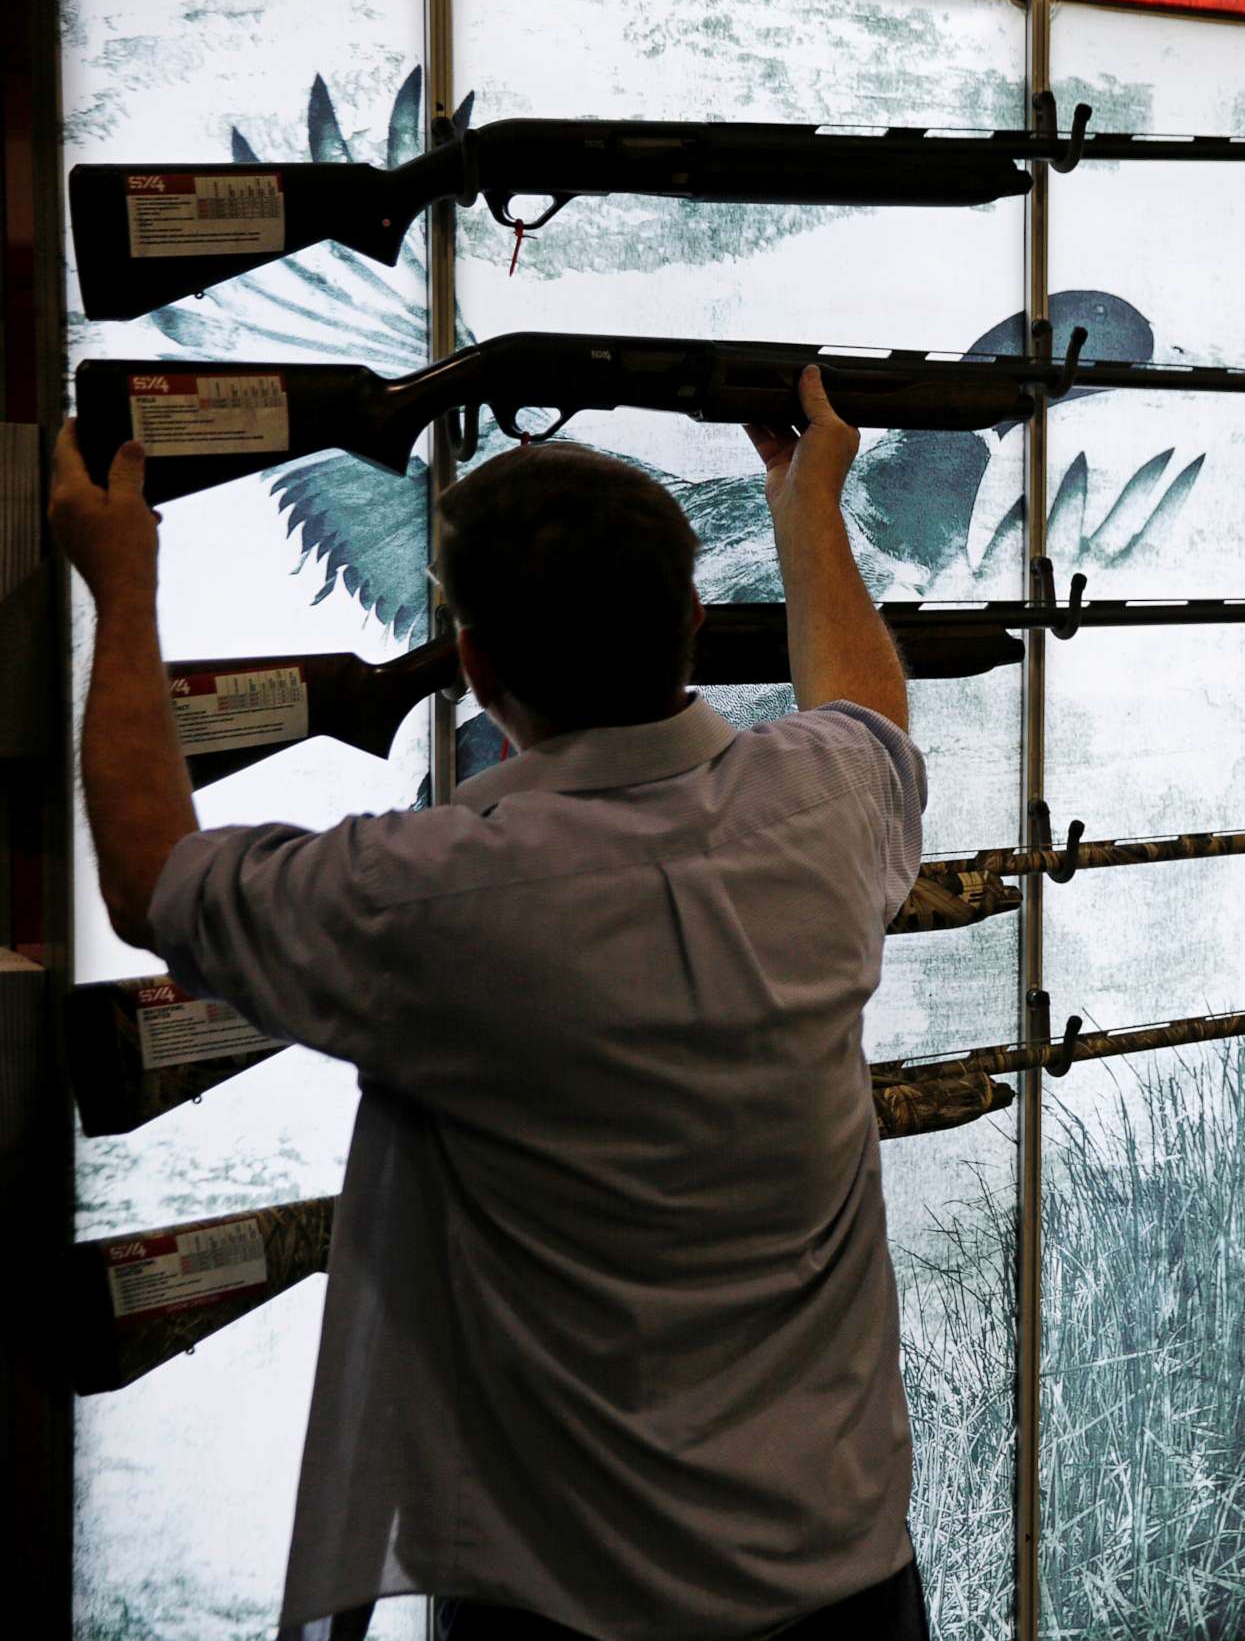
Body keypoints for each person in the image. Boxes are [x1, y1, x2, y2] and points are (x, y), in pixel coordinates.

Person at [49, 367, 934, 1641]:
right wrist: (808, 511)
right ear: (691, 615)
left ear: (471, 663)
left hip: (555, 1602)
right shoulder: (830, 804)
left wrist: (120, 584)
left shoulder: (426, 895)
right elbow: (869, 715)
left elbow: (151, 880)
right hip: (846, 1581)